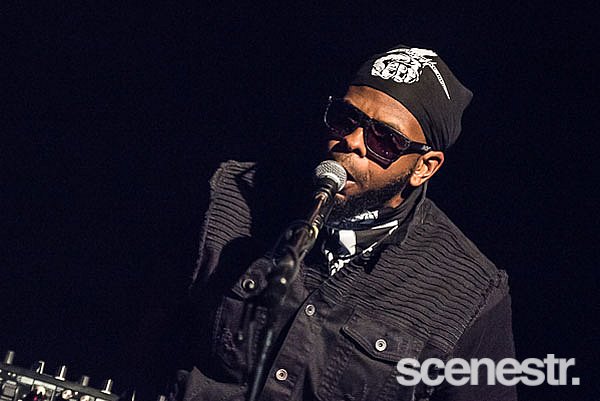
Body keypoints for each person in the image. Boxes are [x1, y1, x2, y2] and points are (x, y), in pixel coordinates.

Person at [182, 44, 517, 401]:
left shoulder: (469, 292)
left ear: (424, 167)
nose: (352, 142)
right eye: (344, 118)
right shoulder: (230, 199)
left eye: (385, 139)